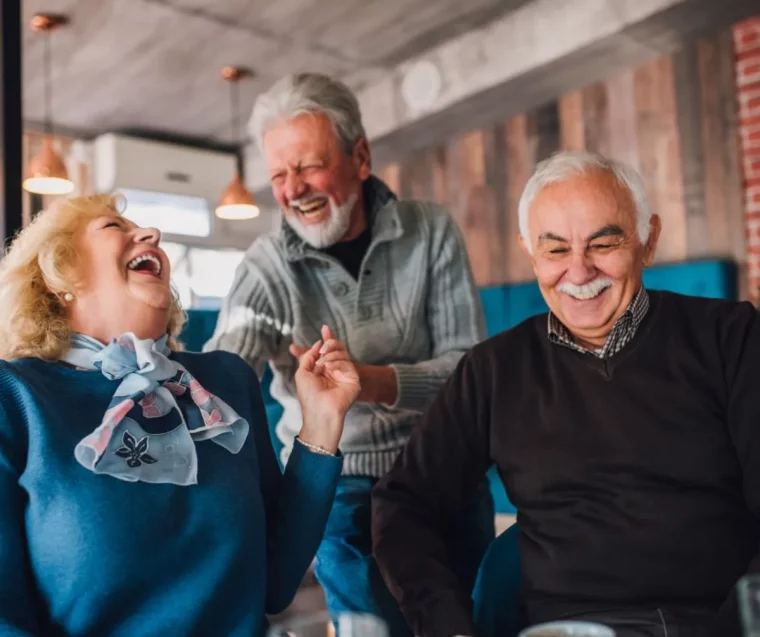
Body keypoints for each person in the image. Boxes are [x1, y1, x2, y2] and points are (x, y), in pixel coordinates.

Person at [371, 151, 760, 637]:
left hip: (718, 621)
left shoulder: (732, 338)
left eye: (604, 243)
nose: (579, 272)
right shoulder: (494, 370)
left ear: (648, 239)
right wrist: (447, 626)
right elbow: (404, 503)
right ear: (530, 251)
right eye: (555, 250)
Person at [204, 72, 494, 635]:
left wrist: (371, 381)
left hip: (441, 467)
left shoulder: (430, 231)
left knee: (465, 622)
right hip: (337, 484)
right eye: (279, 175)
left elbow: (470, 372)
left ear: (360, 156)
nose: (294, 189)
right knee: (370, 627)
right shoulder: (266, 267)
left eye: (309, 166)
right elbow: (223, 376)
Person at [0, 194, 361, 636]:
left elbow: (276, 584)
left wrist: (321, 424)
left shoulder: (224, 381)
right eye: (114, 227)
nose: (151, 234)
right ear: (62, 275)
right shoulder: (14, 396)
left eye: (144, 229)